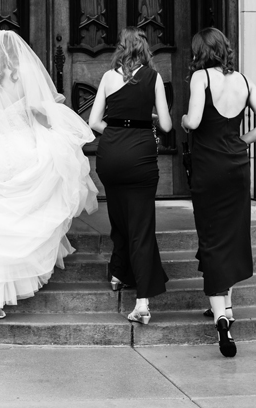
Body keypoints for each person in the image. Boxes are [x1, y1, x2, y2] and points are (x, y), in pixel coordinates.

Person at [0, 31, 100, 322]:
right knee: (22, 221)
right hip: (22, 151)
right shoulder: (22, 73)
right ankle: (18, 277)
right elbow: (38, 112)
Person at [181, 27, 256, 357]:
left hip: (208, 166)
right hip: (236, 166)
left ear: (200, 51)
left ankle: (221, 316)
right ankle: (227, 305)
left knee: (210, 235)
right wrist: (240, 141)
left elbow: (194, 121)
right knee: (231, 234)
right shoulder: (244, 80)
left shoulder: (201, 79)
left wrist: (182, 120)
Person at [89, 27, 172, 324]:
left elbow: (94, 121)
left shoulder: (109, 77)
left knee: (120, 219)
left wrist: (117, 130)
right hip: (140, 157)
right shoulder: (153, 77)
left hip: (110, 156)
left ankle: (119, 273)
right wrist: (144, 119)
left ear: (121, 49)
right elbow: (165, 124)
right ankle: (142, 303)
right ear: (144, 51)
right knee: (141, 226)